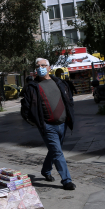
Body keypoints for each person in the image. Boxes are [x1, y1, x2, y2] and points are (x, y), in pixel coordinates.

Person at [21, 58, 76, 190]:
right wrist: (38, 123)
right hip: (47, 126)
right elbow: (26, 109)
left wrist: (69, 114)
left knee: (54, 150)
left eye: (43, 65)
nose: (40, 67)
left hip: (62, 123)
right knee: (57, 152)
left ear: (49, 68)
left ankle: (46, 171)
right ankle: (66, 180)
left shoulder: (60, 83)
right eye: (38, 66)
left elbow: (69, 100)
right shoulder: (32, 87)